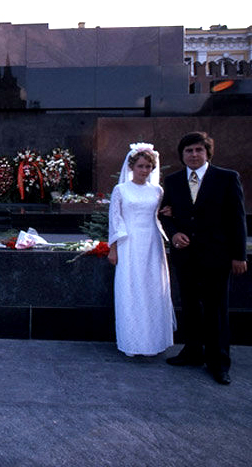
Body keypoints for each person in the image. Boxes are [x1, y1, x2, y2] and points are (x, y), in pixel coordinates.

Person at [160, 131, 247, 385]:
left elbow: (237, 219)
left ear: (208, 153)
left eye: (199, 150)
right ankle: (193, 352)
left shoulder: (227, 178)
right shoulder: (173, 180)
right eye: (189, 151)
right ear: (182, 155)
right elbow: (165, 214)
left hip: (217, 257)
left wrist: (239, 255)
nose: (194, 155)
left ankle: (219, 362)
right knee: (189, 306)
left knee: (216, 310)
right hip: (186, 257)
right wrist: (174, 234)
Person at [107, 143, 175, 357]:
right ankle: (132, 340)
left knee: (153, 289)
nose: (144, 170)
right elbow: (115, 220)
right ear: (132, 166)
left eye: (148, 167)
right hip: (129, 244)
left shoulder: (157, 190)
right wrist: (113, 249)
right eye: (140, 166)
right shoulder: (121, 190)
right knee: (131, 289)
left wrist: (169, 212)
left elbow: (161, 215)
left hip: (153, 244)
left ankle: (154, 341)